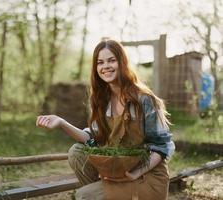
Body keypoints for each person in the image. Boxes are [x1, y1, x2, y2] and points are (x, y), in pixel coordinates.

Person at [36, 39, 175, 200]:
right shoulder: (102, 100)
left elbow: (161, 146)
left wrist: (135, 173)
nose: (105, 66)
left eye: (111, 60)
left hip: (145, 176)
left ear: (122, 63)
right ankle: (104, 191)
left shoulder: (144, 100)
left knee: (84, 196)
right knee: (77, 152)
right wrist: (61, 122)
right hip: (119, 170)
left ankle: (99, 194)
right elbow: (93, 139)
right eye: (100, 62)